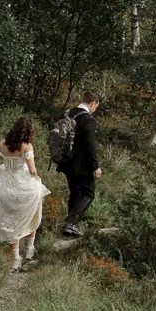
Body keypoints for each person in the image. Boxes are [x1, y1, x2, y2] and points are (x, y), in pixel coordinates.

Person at [0, 116, 50, 273]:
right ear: (28, 132)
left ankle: (16, 258)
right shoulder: (27, 147)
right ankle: (30, 249)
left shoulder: (2, 143)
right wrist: (36, 177)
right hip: (25, 186)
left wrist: (3, 173)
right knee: (32, 213)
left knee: (12, 219)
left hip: (8, 187)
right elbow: (32, 170)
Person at [56, 90, 102, 237]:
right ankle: (70, 223)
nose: (95, 110)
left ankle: (69, 228)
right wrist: (96, 166)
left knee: (75, 193)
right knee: (88, 193)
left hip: (65, 161)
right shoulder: (88, 119)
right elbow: (90, 145)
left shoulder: (68, 113)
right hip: (81, 165)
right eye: (96, 106)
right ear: (92, 103)